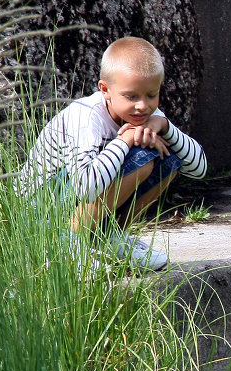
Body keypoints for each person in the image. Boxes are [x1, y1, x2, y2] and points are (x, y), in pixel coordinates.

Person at [18, 36, 207, 270]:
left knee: (169, 157)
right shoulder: (86, 117)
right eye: (131, 96)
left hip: (78, 199)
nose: (143, 105)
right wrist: (125, 140)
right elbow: (84, 186)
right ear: (105, 90)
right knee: (143, 157)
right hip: (40, 211)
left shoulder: (146, 112)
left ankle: (109, 238)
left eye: (151, 94)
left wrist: (166, 127)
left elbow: (197, 169)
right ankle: (64, 244)